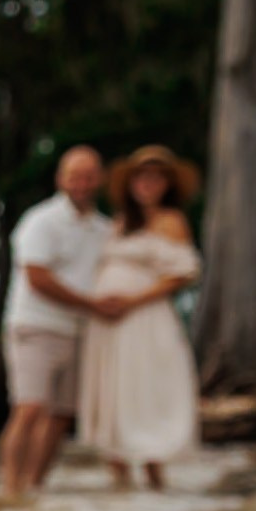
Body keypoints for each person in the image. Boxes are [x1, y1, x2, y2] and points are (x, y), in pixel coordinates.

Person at [79, 144, 204, 491]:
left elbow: (181, 274)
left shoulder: (171, 221)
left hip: (145, 319)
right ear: (131, 183)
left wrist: (133, 300)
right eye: (142, 177)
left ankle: (153, 476)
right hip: (108, 324)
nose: (148, 184)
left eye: (156, 178)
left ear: (167, 184)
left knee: (147, 388)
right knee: (114, 391)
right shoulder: (119, 224)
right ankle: (119, 479)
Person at [0, 146, 112, 497]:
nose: (82, 183)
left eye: (89, 175)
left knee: (62, 415)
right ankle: (10, 492)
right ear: (61, 179)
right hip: (36, 327)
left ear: (100, 179)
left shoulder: (105, 229)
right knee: (29, 408)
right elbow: (37, 277)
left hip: (81, 332)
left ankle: (35, 487)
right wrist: (92, 304)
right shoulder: (41, 221)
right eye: (74, 176)